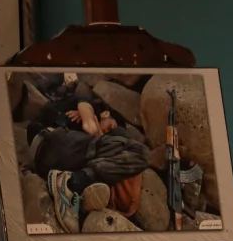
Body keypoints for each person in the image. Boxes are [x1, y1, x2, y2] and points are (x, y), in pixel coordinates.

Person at [30, 94, 151, 232]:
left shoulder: (87, 144)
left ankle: (73, 189)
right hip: (52, 140)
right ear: (106, 114)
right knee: (141, 153)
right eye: (111, 127)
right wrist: (89, 118)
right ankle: (73, 183)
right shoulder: (90, 106)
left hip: (46, 163)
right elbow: (88, 119)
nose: (108, 132)